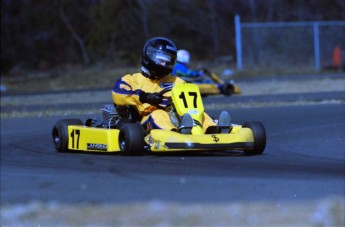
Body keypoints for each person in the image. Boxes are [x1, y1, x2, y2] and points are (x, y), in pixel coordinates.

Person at [112, 37, 230, 133]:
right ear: (150, 56)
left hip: (179, 117)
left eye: (168, 61)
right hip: (146, 119)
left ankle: (212, 130)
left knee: (200, 114)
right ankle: (173, 134)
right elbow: (118, 94)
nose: (165, 64)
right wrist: (145, 97)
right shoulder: (131, 80)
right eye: (161, 60)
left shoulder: (176, 81)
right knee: (159, 114)